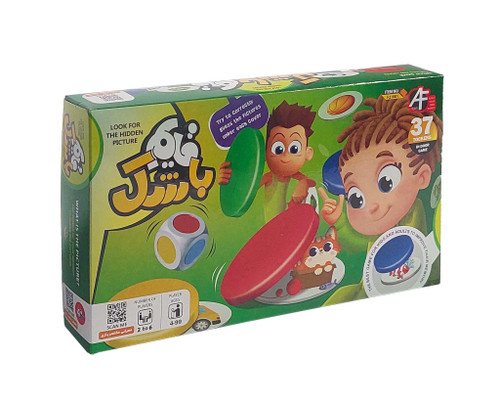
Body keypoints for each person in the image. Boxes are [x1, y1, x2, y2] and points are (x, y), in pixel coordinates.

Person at [219, 101, 317, 222]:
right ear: (264, 154)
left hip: (296, 225)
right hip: (272, 226)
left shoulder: (298, 178)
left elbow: (311, 181)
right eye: (278, 149)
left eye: (294, 149)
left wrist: (303, 183)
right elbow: (245, 189)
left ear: (308, 153)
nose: (285, 156)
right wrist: (230, 178)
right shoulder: (269, 178)